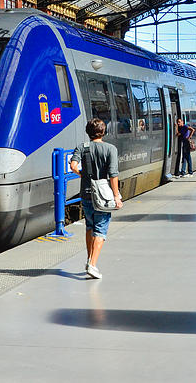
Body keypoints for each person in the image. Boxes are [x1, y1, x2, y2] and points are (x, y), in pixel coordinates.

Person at [69, 118, 122, 280]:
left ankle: (88, 259)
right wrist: (116, 196)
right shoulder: (110, 149)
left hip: (86, 193)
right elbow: (113, 175)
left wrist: (82, 174)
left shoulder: (82, 147)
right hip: (103, 196)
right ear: (103, 132)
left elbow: (73, 166)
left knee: (89, 226)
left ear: (88, 132)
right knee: (100, 230)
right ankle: (92, 265)